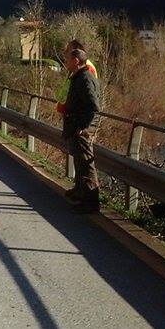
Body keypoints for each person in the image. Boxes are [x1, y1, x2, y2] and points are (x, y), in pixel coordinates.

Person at [63, 48, 101, 213]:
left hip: (82, 130)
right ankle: (80, 192)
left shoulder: (85, 78)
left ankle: (91, 202)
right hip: (76, 127)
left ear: (76, 61)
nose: (66, 62)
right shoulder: (78, 77)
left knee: (86, 164)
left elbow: (94, 107)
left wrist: (83, 127)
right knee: (79, 161)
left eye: (68, 60)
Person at [55, 39, 97, 116]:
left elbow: (89, 99)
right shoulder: (74, 67)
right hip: (69, 114)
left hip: (76, 118)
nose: (65, 52)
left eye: (68, 50)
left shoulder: (87, 67)